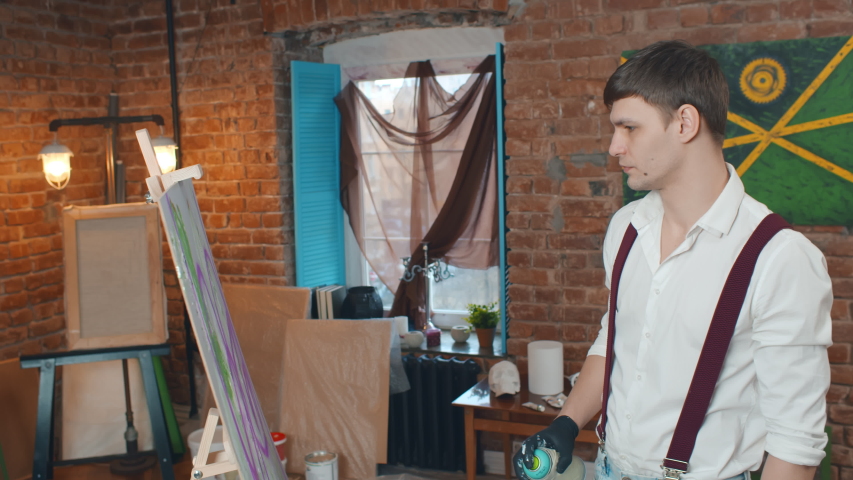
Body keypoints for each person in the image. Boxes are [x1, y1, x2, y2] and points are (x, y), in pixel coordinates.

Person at [513, 40, 833, 480]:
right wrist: (566, 423)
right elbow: (614, 343)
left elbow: (794, 444)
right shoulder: (626, 228)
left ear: (684, 122)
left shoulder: (780, 258)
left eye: (629, 128)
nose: (613, 147)